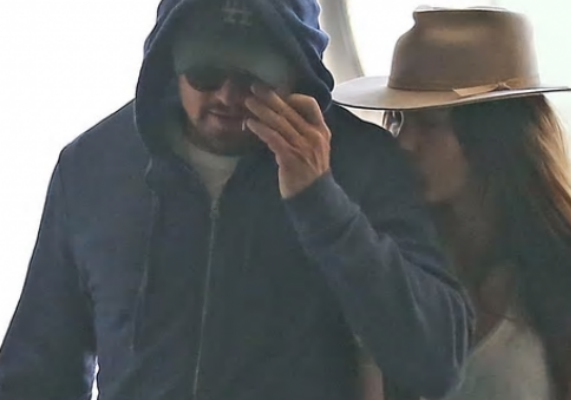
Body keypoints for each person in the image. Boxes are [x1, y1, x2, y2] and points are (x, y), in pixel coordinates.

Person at [0, 1, 475, 399]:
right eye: (205, 73)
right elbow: (37, 370)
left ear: (298, 72)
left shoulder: (364, 164)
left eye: (254, 79)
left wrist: (321, 202)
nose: (228, 97)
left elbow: (437, 361)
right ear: (169, 62)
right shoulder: (93, 166)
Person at [334, 7, 571, 400]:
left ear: (495, 136)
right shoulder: (391, 267)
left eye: (430, 123)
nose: (404, 142)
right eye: (398, 119)